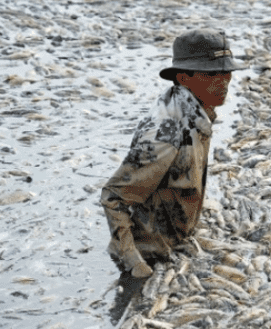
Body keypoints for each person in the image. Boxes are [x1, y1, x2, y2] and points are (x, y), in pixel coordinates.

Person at [100, 29, 245, 278]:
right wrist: (134, 263)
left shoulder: (196, 108)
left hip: (177, 241)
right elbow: (113, 197)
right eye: (211, 74)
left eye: (226, 72)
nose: (223, 81)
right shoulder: (166, 135)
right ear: (183, 77)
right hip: (151, 253)